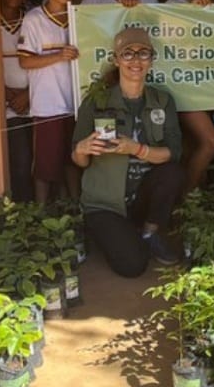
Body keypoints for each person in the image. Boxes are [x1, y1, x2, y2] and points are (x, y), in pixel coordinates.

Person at [72, 28, 185, 277]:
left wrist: (137, 149)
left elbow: (173, 153)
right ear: (116, 59)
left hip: (141, 200)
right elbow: (78, 160)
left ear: (152, 59)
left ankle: (149, 231)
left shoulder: (162, 101)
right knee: (132, 266)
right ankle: (106, 232)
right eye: (128, 54)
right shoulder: (96, 101)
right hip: (105, 203)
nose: (136, 60)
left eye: (143, 53)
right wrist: (82, 149)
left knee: (173, 172)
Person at [18, 0, 80, 203]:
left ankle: (75, 207)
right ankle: (41, 213)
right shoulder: (34, 19)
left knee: (73, 159)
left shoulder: (79, 15)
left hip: (75, 103)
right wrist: (57, 56)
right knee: (45, 164)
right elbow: (25, 61)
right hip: (48, 104)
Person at [163, 0, 214, 191]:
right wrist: (192, 13)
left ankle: (192, 199)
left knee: (191, 145)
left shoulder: (208, 1)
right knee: (209, 141)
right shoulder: (170, 6)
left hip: (203, 84)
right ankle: (183, 199)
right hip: (181, 87)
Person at [0, 0, 35, 202]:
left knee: (34, 161)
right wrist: (5, 93)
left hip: (34, 100)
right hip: (5, 104)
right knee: (18, 161)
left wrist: (28, 94)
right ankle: (20, 210)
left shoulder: (32, 21)